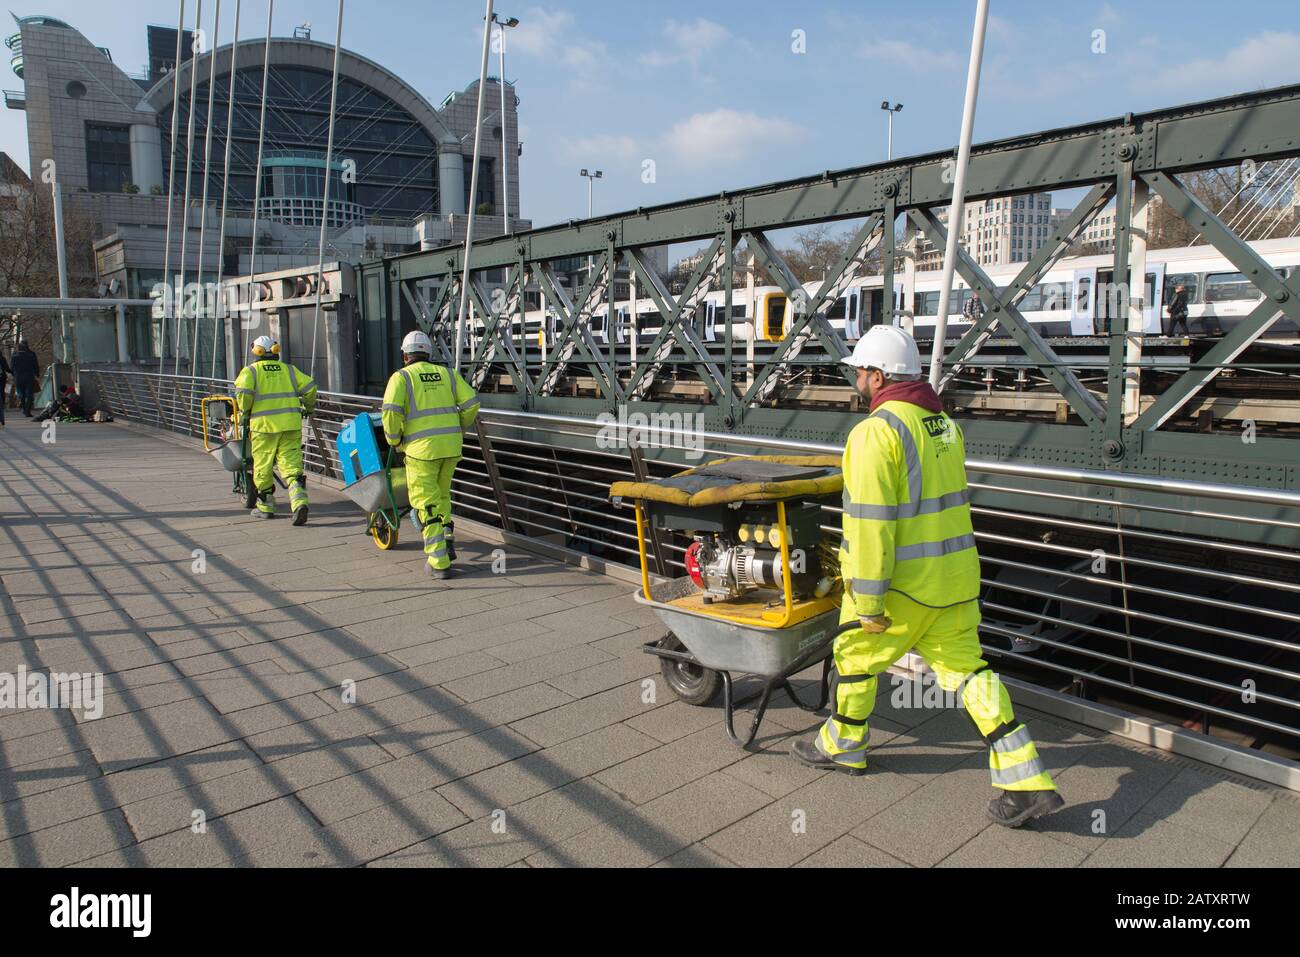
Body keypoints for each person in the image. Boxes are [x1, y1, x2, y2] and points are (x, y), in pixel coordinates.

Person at [790, 324, 1065, 829]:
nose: (856, 378)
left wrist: (868, 603)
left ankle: (845, 746)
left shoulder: (876, 433)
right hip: (955, 583)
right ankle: (1026, 782)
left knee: (853, 657)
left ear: (877, 375)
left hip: (901, 589)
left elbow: (871, 527)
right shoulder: (944, 428)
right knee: (969, 674)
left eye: (859, 370)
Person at [381, 331, 479, 580]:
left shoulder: (401, 377)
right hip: (450, 447)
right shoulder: (448, 374)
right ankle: (446, 540)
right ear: (428, 353)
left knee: (426, 503)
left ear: (405, 355)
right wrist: (459, 425)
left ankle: (439, 561)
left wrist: (394, 441)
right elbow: (472, 404)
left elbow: (391, 414)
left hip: (421, 451)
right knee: (442, 496)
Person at [233, 335, 317, 524]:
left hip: (263, 427)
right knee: (292, 466)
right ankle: (299, 503)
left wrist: (245, 412)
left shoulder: (250, 372)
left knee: (262, 466)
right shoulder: (290, 370)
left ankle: (266, 507)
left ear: (256, 352)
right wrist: (308, 408)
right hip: (290, 425)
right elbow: (311, 388)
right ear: (276, 350)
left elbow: (243, 395)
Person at [11, 340, 40, 417]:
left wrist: (14, 374)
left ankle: (24, 409)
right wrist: (37, 374)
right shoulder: (31, 354)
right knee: (29, 395)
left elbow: (12, 367)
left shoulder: (14, 355)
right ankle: (27, 411)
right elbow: (36, 365)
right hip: (29, 377)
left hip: (18, 378)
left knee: (22, 395)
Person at [0, 348, 10, 428]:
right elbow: (6, 368)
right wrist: (12, 372)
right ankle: (2, 404)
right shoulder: (2, 358)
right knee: (2, 391)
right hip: (1, 378)